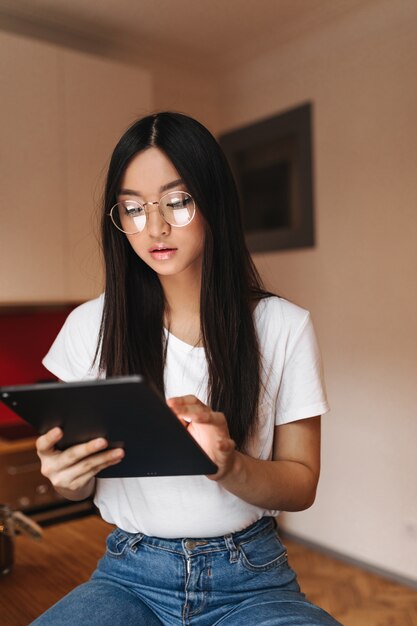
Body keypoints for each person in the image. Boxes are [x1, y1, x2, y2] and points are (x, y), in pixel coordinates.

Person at [32, 112, 341, 625]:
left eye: (176, 201)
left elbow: (301, 483)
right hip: (129, 577)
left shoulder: (283, 326)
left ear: (212, 200)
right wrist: (65, 477)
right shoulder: (89, 327)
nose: (154, 227)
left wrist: (230, 465)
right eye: (133, 208)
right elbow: (77, 485)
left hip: (252, 580)